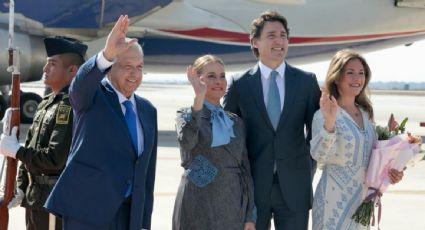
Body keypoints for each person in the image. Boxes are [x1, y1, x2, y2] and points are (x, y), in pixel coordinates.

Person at [44, 15, 157, 230]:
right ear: (110, 68)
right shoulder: (92, 97)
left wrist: (143, 222)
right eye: (127, 66)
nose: (135, 74)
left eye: (139, 67)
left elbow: (146, 173)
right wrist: (106, 55)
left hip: (129, 215)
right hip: (88, 213)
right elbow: (79, 85)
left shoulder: (147, 110)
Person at [223, 10, 321, 230]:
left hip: (295, 188)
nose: (279, 41)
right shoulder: (239, 84)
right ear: (255, 42)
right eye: (271, 35)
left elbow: (316, 133)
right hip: (253, 189)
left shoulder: (306, 82)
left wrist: (306, 167)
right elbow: (229, 137)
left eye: (283, 35)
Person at [310, 49, 404, 229]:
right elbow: (320, 157)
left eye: (361, 73)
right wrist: (329, 123)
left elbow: (374, 158)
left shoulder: (366, 114)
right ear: (337, 77)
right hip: (333, 202)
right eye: (350, 73)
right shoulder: (323, 114)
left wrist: (393, 170)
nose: (357, 78)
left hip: (362, 202)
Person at [0, 36, 87, 229]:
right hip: (35, 198)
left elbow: (54, 158)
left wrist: (16, 151)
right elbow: (31, 149)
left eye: (52, 64)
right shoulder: (46, 104)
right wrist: (21, 188)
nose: (44, 69)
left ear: (72, 71)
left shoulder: (69, 106)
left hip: (54, 200)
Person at [172, 55, 256, 230]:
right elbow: (187, 142)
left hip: (232, 205)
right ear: (197, 79)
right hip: (198, 203)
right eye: (211, 76)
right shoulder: (186, 115)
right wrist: (198, 101)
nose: (218, 81)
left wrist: (249, 215)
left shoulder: (236, 122)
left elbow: (245, 169)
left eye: (222, 76)